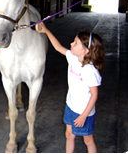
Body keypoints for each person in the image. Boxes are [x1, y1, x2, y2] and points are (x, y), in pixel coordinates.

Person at [37, 22, 105, 153]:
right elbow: (58, 47)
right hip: (71, 105)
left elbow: (94, 95)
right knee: (69, 135)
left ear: (85, 51)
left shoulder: (90, 71)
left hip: (84, 111)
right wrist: (46, 31)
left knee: (88, 140)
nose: (71, 44)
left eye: (75, 43)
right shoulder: (74, 58)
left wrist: (84, 116)